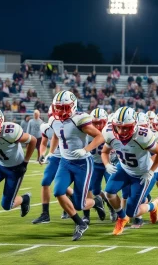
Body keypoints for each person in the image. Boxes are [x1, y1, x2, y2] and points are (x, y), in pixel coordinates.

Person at [48, 91, 106, 241]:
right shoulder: (53, 120)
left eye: (64, 107)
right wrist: (51, 151)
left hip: (83, 163)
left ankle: (97, 201)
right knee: (58, 191)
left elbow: (100, 136)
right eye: (58, 107)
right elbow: (55, 134)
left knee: (80, 205)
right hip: (65, 162)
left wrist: (85, 149)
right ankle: (80, 223)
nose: (60, 111)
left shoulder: (79, 119)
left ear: (72, 106)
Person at [101, 107, 158, 236]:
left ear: (134, 125)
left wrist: (151, 171)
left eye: (126, 128)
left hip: (142, 173)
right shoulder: (109, 132)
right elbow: (104, 151)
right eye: (118, 127)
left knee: (133, 212)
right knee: (109, 193)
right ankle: (121, 218)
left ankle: (153, 205)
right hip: (124, 168)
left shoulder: (143, 136)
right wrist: (107, 164)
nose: (121, 131)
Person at [0, 107, 37, 236]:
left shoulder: (11, 131)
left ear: (0, 123)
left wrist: (25, 162)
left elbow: (33, 140)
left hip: (15, 168)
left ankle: (25, 199)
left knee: (7, 205)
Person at [32, 107, 73, 224]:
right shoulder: (46, 127)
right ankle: (45, 214)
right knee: (45, 182)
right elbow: (44, 143)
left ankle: (91, 203)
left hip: (68, 158)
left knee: (62, 187)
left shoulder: (71, 125)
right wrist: (42, 154)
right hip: (55, 157)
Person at [82, 108, 117, 225]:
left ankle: (113, 208)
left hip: (108, 164)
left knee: (111, 189)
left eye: (100, 122)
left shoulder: (111, 131)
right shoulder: (87, 132)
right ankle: (104, 204)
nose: (97, 125)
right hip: (94, 164)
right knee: (93, 190)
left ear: (106, 121)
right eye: (95, 123)